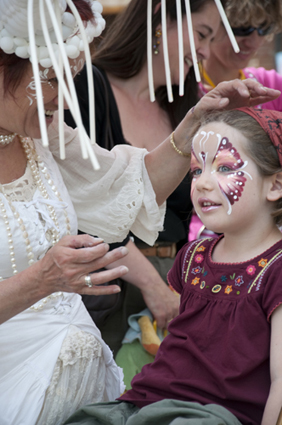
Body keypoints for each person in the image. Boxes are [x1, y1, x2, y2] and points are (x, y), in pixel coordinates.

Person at [0, 0, 274, 423]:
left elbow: (126, 188)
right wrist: (39, 281)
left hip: (80, 392)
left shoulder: (45, 140)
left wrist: (197, 118)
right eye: (54, 80)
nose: (68, 100)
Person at [64, 106, 282, 425]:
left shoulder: (276, 268)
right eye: (197, 170)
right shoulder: (194, 255)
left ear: (275, 186)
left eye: (224, 168)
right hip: (149, 403)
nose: (203, 183)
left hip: (215, 415)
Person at [65, 0, 225, 352]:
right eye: (201, 34)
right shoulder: (88, 86)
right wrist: (152, 285)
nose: (205, 51)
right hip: (111, 286)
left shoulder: (186, 109)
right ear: (158, 16)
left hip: (178, 289)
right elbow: (86, 208)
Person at [199, 0, 282, 111]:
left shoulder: (272, 85)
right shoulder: (179, 90)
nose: (254, 44)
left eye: (264, 29)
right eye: (242, 28)